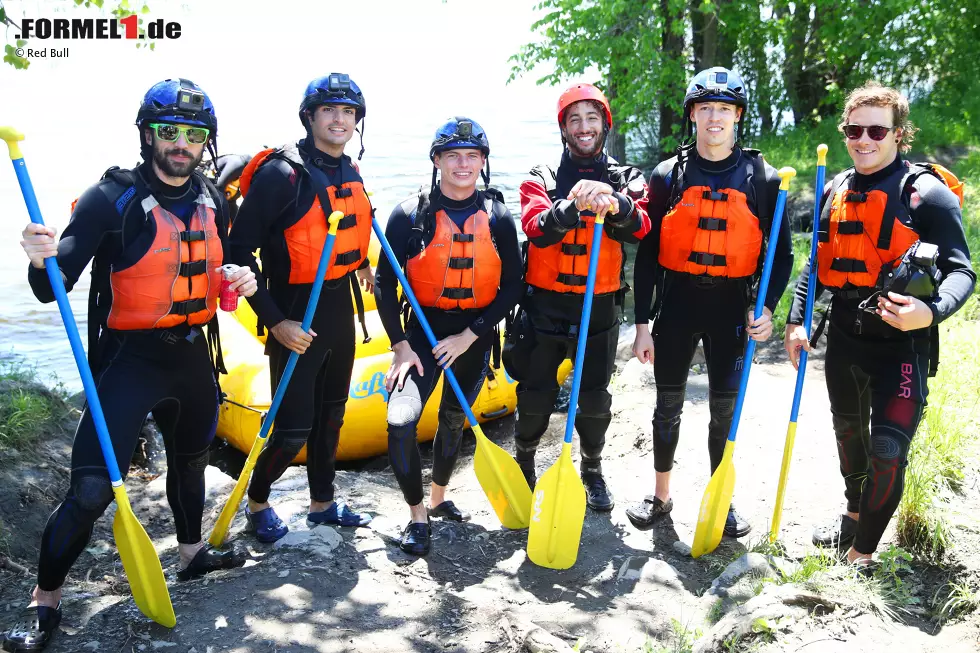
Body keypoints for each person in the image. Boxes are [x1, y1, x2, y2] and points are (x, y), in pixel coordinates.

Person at [1, 78, 257, 652]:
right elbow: (52, 288)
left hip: (194, 356)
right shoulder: (108, 198)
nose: (181, 144)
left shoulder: (215, 199)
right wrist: (39, 258)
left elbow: (217, 267)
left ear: (205, 143)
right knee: (91, 492)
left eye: (193, 135)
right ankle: (45, 603)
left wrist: (241, 277)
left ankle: (191, 554)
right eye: (169, 131)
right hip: (128, 360)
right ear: (148, 134)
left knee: (191, 463)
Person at [784, 82, 976, 567]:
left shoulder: (926, 195)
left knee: (888, 448)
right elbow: (815, 265)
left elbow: (962, 271)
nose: (864, 139)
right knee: (850, 437)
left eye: (876, 129)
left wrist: (928, 312)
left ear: (898, 134)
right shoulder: (835, 189)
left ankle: (863, 553)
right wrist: (796, 320)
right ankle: (853, 513)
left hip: (902, 347)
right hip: (846, 339)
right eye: (854, 129)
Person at [627, 67, 794, 538]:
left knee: (725, 409)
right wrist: (642, 323)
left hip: (731, 311)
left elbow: (781, 256)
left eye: (724, 108)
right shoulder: (666, 177)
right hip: (677, 307)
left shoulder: (764, 179)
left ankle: (722, 498)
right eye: (706, 108)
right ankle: (661, 497)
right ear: (693, 115)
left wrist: (766, 308)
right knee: (667, 405)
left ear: (738, 115)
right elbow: (647, 257)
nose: (714, 117)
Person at [228, 73, 374, 543]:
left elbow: (343, 234)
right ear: (309, 116)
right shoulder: (279, 174)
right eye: (330, 110)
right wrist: (277, 322)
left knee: (332, 416)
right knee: (292, 430)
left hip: (337, 309)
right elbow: (237, 254)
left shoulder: (348, 168)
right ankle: (257, 502)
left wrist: (361, 268)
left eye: (348, 112)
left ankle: (323, 503)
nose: (339, 120)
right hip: (294, 311)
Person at [374, 117, 523, 556]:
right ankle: (418, 515)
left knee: (453, 419)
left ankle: (439, 497)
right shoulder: (409, 214)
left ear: (483, 162)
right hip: (420, 336)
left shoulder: (497, 217)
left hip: (472, 337)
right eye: (453, 155)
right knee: (400, 420)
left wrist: (469, 335)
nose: (462, 164)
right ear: (437, 160)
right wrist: (400, 346)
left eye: (472, 156)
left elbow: (513, 285)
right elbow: (384, 283)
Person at [514, 83, 651, 511]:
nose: (584, 127)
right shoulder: (540, 176)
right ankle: (524, 464)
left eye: (592, 118)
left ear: (604, 125)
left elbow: (643, 227)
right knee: (535, 395)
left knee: (593, 399)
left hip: (601, 307)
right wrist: (574, 206)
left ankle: (592, 469)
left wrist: (615, 203)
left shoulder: (627, 178)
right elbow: (536, 227)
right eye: (574, 119)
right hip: (544, 307)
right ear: (563, 129)